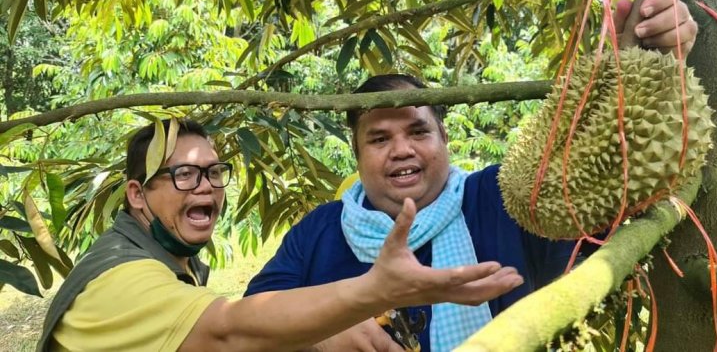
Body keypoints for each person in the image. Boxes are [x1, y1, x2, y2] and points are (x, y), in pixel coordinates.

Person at [244, 0, 698, 352]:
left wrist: (654, 59)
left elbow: (607, 177)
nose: (401, 150)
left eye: (418, 132)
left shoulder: (507, 196)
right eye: (379, 139)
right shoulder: (319, 231)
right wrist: (318, 337)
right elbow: (247, 323)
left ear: (445, 138)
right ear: (356, 153)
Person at [37, 119, 525, 352]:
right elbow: (234, 327)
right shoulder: (120, 278)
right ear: (138, 196)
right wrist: (377, 292)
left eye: (214, 173)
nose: (205, 187)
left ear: (445, 141)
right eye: (184, 175)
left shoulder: (491, 194)